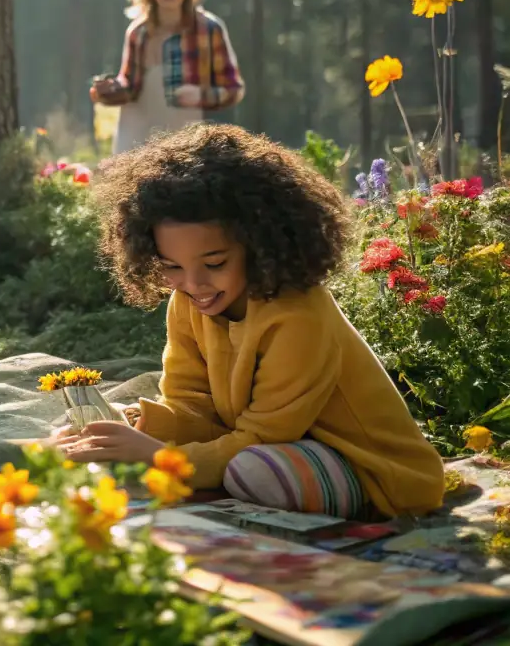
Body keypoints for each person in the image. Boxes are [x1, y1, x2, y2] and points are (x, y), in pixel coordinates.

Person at [49, 124, 445, 518]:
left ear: (258, 244)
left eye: (215, 263)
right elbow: (193, 410)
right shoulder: (187, 302)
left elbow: (264, 437)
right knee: (105, 432)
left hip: (378, 476)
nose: (194, 283)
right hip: (274, 451)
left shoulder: (298, 314)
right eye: (172, 266)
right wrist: (136, 425)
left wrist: (157, 456)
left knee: (252, 470)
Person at [90, 0, 244, 154]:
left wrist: (201, 95)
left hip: (189, 136)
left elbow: (233, 89)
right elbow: (129, 86)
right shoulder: (138, 32)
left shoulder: (209, 29)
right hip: (138, 135)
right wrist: (107, 92)